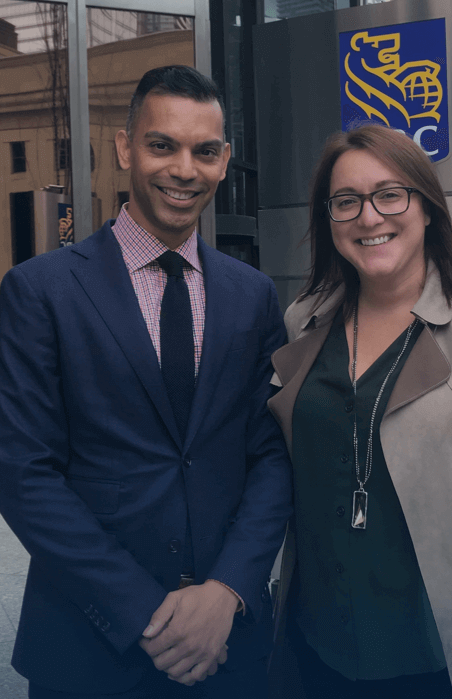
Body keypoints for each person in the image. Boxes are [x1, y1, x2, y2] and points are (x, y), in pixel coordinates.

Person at [0, 65, 292, 699]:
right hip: (89, 648)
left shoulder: (253, 296)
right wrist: (145, 615)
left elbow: (271, 454)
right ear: (125, 147)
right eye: (163, 145)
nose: (184, 169)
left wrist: (228, 591)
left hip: (231, 647)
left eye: (205, 151)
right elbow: (24, 472)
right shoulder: (39, 291)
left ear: (224, 160)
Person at [267, 124, 452, 699]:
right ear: (328, 221)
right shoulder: (303, 323)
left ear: (427, 208)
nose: (368, 216)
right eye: (346, 201)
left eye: (389, 194)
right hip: (322, 646)